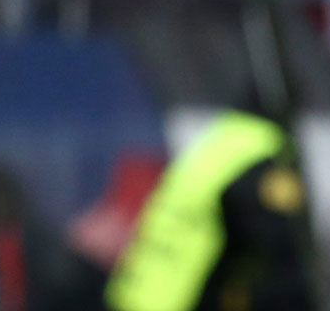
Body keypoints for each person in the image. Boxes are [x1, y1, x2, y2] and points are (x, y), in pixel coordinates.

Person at [105, 109, 315, 311]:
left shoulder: (223, 141)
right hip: (180, 302)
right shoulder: (260, 153)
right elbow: (282, 253)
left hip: (136, 297)